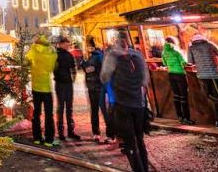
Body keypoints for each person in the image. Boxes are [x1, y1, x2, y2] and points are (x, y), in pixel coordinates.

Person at [101, 35, 150, 172]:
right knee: (139, 138)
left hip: (123, 103)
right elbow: (145, 78)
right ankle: (145, 168)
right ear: (128, 44)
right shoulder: (138, 55)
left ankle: (138, 169)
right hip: (139, 103)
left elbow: (104, 77)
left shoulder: (113, 56)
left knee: (129, 141)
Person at [187, 33, 218, 128]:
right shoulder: (210, 44)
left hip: (202, 76)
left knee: (211, 97)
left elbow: (190, 62)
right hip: (214, 74)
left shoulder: (191, 48)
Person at [26, 34, 58, 147]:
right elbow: (53, 63)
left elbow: (27, 58)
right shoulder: (50, 53)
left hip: (36, 88)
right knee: (49, 114)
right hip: (47, 88)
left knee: (36, 113)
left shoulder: (33, 51)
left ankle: (37, 138)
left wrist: (34, 46)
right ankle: (49, 139)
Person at [81, 37, 113, 144]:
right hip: (93, 87)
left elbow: (90, 69)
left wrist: (85, 65)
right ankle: (100, 133)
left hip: (99, 88)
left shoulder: (98, 56)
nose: (87, 48)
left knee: (103, 111)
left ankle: (107, 134)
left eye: (88, 46)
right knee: (96, 111)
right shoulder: (92, 57)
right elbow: (88, 69)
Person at [162, 36, 195, 125]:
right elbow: (184, 63)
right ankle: (187, 119)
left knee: (176, 96)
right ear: (174, 42)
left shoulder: (164, 52)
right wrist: (190, 64)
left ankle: (180, 117)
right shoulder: (176, 52)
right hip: (180, 74)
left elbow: (164, 63)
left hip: (171, 74)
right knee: (184, 96)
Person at [54, 36, 81, 141]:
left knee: (69, 108)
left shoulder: (69, 55)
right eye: (66, 43)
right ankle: (61, 132)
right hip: (61, 84)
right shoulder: (56, 55)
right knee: (61, 108)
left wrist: (72, 79)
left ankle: (70, 131)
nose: (67, 45)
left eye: (68, 44)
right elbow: (54, 68)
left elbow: (73, 69)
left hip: (67, 84)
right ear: (60, 44)